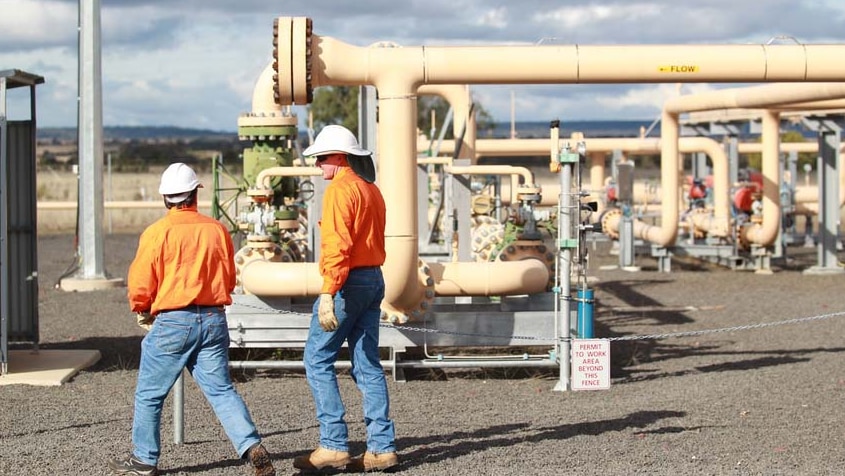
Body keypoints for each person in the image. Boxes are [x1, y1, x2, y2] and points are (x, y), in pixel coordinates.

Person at [108, 163, 275, 476]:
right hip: (213, 319)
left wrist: (143, 308)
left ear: (165, 199)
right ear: (195, 194)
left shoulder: (157, 233)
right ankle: (252, 446)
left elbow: (141, 282)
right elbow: (228, 279)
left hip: (173, 321)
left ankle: (144, 460)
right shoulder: (216, 230)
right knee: (222, 391)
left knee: (150, 394)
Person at [292, 125, 398, 473]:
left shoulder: (340, 191)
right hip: (373, 279)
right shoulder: (371, 189)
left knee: (317, 359)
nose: (318, 164)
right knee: (366, 363)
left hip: (347, 282)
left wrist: (328, 292)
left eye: (322, 158)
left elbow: (337, 245)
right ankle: (382, 448)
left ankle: (334, 445)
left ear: (339, 157)